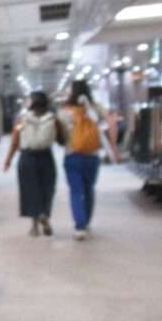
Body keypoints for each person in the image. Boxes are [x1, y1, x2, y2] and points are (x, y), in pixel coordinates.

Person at [59, 80, 117, 240]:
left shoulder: (66, 109)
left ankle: (80, 226)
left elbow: (58, 132)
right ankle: (87, 221)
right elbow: (112, 122)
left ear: (72, 92)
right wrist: (113, 146)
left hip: (72, 154)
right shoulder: (95, 107)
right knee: (89, 188)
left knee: (75, 191)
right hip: (92, 155)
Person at [4, 91, 61, 236]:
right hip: (46, 157)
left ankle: (34, 226)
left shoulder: (22, 120)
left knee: (30, 191)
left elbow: (15, 141)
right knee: (46, 189)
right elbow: (61, 139)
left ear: (32, 103)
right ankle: (44, 215)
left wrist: (8, 160)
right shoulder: (53, 119)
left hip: (27, 158)